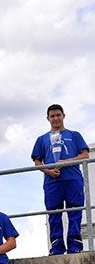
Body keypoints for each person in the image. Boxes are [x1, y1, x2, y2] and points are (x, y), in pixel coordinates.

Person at [31, 104, 89, 255]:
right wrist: (49, 171)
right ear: (47, 118)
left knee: (75, 211)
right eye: (52, 116)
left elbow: (85, 156)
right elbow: (37, 162)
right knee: (54, 213)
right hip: (52, 182)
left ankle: (74, 246)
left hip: (73, 179)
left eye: (58, 115)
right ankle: (56, 247)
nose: (56, 118)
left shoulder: (75, 135)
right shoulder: (42, 139)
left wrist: (67, 161)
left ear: (64, 115)